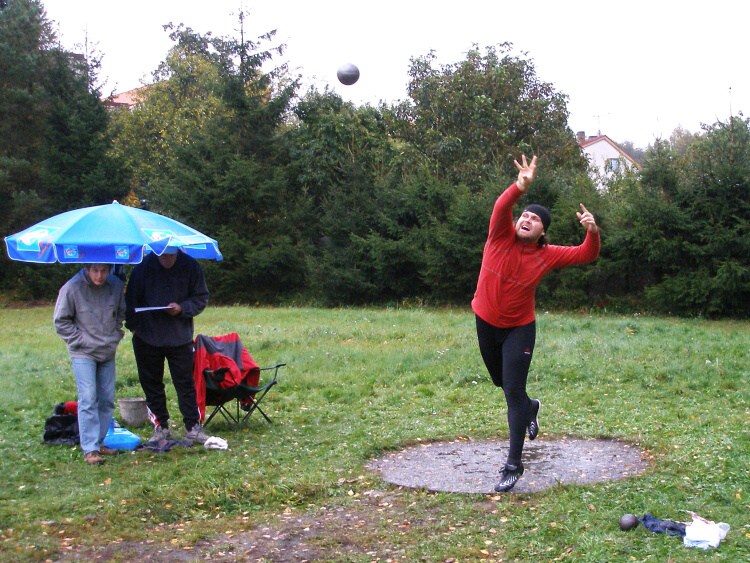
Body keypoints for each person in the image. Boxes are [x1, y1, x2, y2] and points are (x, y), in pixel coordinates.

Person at [472, 155, 600, 492]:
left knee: (513, 391)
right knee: (502, 383)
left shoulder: (547, 254)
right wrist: (520, 186)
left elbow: (586, 253)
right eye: (525, 215)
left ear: (543, 231)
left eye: (535, 219)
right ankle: (531, 408)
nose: (527, 219)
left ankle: (513, 464)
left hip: (519, 328)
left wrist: (592, 232)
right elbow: (501, 207)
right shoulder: (499, 236)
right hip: (485, 322)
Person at [125, 249, 210, 444]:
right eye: (162, 255)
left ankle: (192, 426)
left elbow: (200, 297)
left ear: (177, 252)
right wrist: (134, 328)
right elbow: (130, 302)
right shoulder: (142, 268)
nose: (167, 259)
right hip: (147, 337)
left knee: (186, 383)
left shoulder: (190, 266)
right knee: (152, 384)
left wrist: (182, 308)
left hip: (180, 337)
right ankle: (160, 427)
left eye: (171, 255)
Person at [54, 263, 126, 466]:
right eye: (95, 270)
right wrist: (80, 340)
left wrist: (115, 335)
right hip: (83, 352)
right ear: (87, 269)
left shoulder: (116, 286)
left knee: (107, 398)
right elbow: (61, 321)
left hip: (107, 350)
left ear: (110, 270)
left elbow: (121, 313)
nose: (99, 275)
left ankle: (100, 442)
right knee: (88, 397)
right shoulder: (72, 288)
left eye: (104, 271)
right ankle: (90, 448)